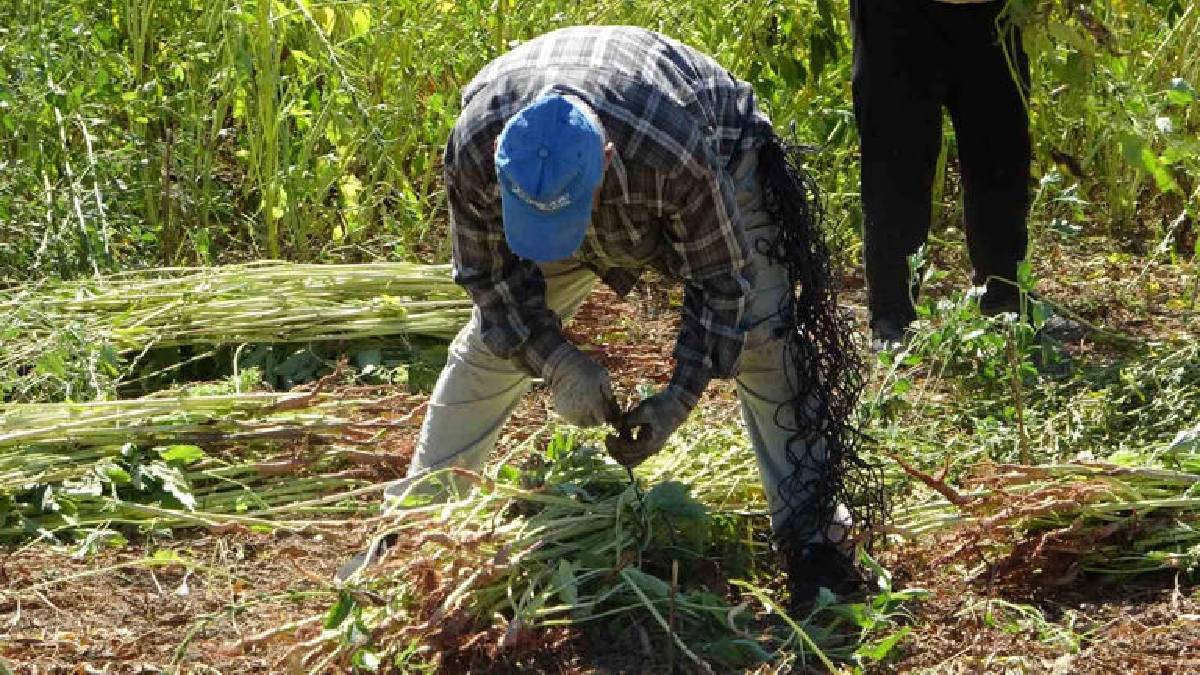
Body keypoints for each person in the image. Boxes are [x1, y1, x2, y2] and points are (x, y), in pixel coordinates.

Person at [339, 26, 871, 604]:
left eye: (566, 218)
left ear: (607, 160)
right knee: (488, 353)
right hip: (587, 176)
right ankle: (410, 526)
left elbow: (724, 284)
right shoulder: (476, 145)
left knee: (765, 345)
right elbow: (488, 279)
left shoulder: (672, 153)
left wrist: (679, 397)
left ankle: (816, 542)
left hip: (718, 152)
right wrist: (560, 363)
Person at [850, 0, 1039, 348]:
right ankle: (893, 319)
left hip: (994, 14)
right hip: (894, 18)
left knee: (1000, 155)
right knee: (894, 164)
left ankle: (1006, 301)